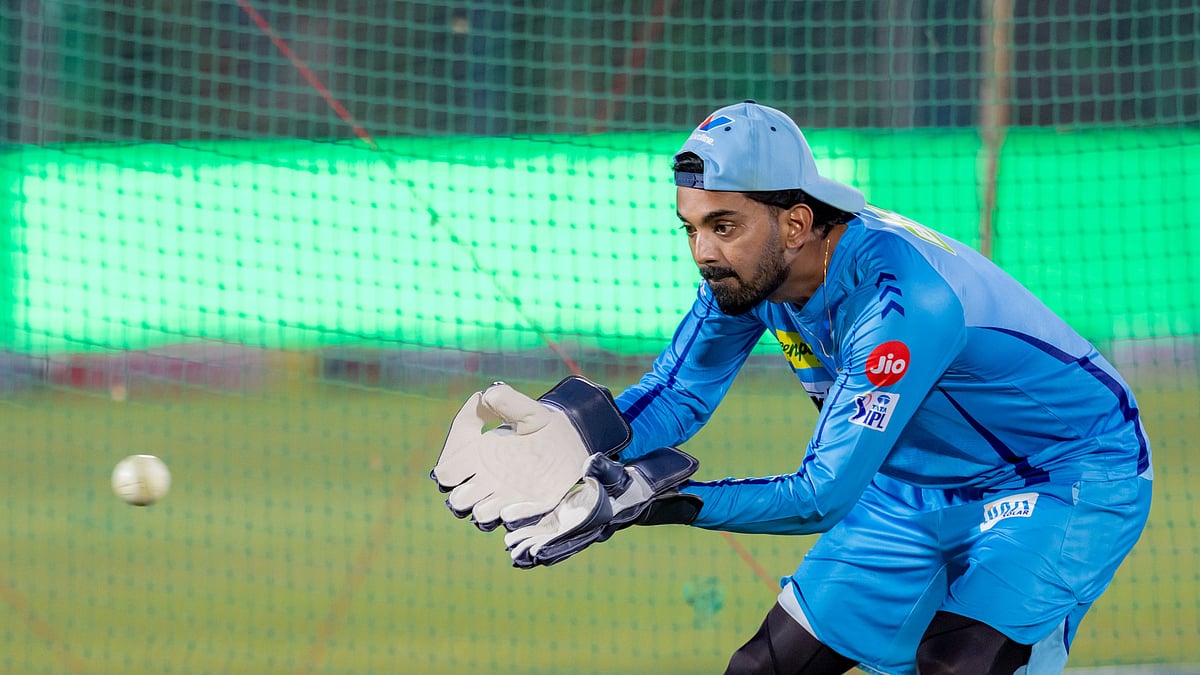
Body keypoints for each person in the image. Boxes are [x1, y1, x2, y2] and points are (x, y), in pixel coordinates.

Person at [433, 100, 1153, 674]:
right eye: (690, 228)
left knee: (957, 662)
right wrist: (578, 433)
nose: (704, 252)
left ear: (798, 221)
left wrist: (651, 500)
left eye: (723, 225)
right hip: (911, 486)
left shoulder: (901, 301)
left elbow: (821, 495)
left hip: (1062, 475)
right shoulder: (749, 274)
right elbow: (679, 394)